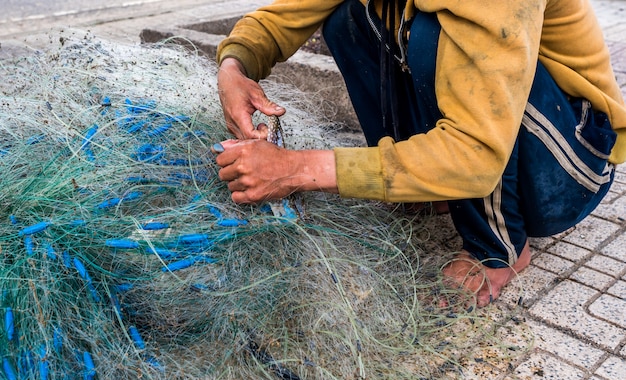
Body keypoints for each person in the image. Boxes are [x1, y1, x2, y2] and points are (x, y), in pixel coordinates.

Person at [214, 0, 626, 307]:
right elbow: (287, 14)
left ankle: (499, 249)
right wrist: (234, 67)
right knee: (348, 20)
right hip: (497, 135)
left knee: (431, 35)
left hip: (569, 166)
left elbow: (475, 152)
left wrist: (295, 169)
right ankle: (431, 188)